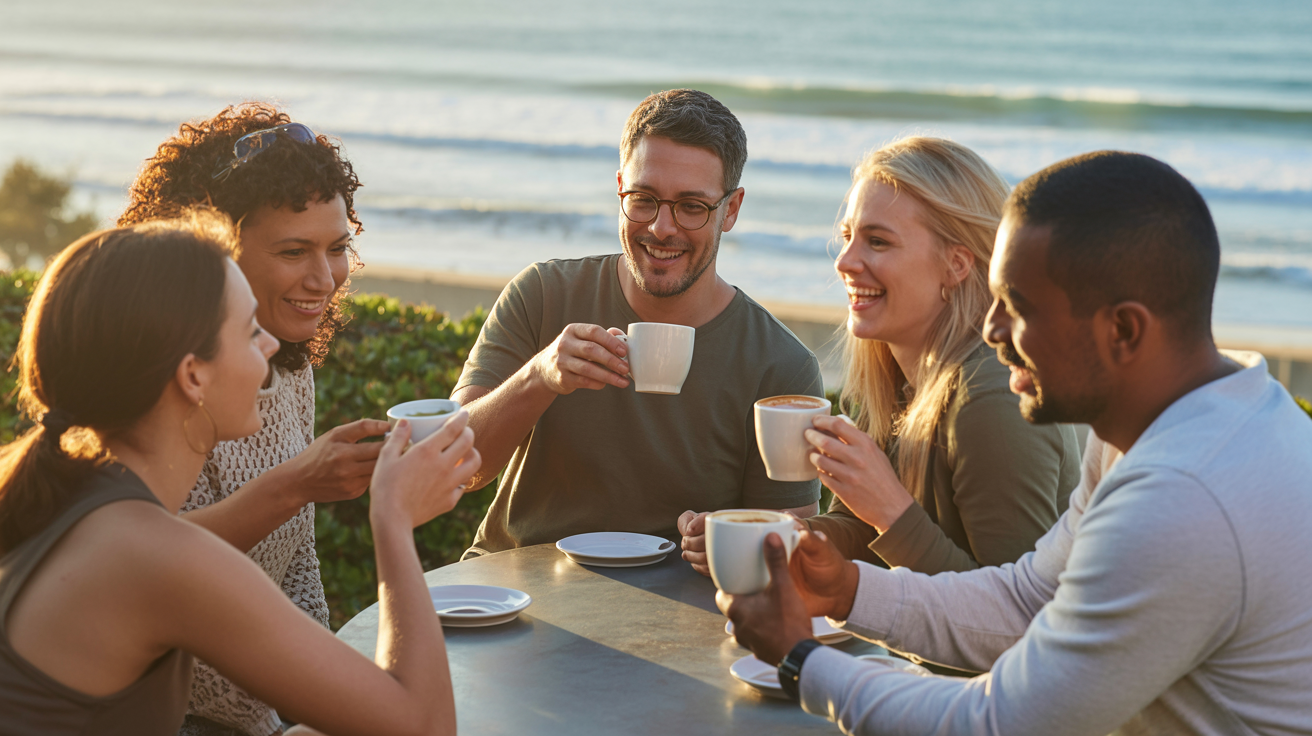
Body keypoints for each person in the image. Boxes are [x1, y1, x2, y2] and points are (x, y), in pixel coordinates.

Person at [717, 151, 1312, 735]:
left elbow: (1002, 721)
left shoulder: (1183, 497)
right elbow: (1030, 600)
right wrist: (847, 590)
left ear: (1124, 329)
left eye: (1019, 307)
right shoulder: (1170, 424)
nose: (993, 329)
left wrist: (801, 659)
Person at [0, 213, 477, 735]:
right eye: (251, 331)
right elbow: (424, 726)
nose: (270, 346)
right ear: (193, 375)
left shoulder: (78, 504)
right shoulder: (157, 555)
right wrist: (393, 518)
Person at [680, 137, 1081, 577]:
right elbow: (865, 534)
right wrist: (774, 538)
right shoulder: (894, 377)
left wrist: (890, 509)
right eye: (847, 237)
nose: (845, 262)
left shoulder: (991, 400)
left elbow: (1011, 608)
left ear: (957, 264)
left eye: (877, 241)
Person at [452, 89, 822, 558]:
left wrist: (727, 540)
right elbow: (455, 467)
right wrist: (539, 376)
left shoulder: (780, 365)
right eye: (644, 199)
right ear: (620, 188)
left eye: (692, 206)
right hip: (512, 588)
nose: (662, 227)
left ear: (730, 209)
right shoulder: (543, 295)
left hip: (683, 599)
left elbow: (792, 548)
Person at [118, 103, 388, 736]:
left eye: (338, 248)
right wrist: (303, 485)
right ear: (211, 252)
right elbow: (143, 567)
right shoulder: (153, 386)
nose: (324, 279)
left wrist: (317, 692)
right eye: (294, 251)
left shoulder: (290, 369)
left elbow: (296, 562)